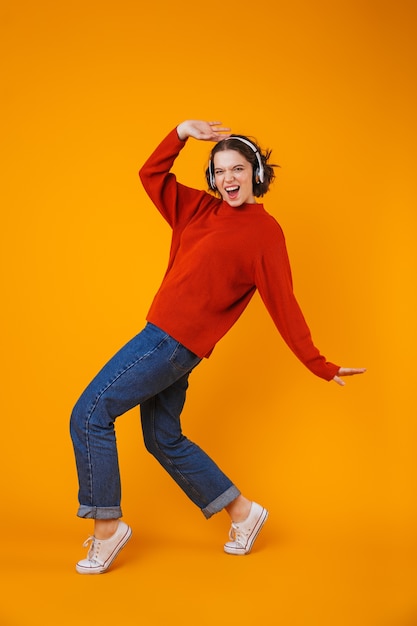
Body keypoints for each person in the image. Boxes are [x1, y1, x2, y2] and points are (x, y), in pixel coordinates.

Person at [70, 119, 365, 574]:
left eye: (238, 169)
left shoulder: (264, 234)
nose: (229, 179)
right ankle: (243, 513)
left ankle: (107, 528)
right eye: (221, 170)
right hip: (165, 339)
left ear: (256, 174)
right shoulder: (197, 210)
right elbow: (151, 175)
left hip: (170, 343)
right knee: (163, 438)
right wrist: (182, 133)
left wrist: (319, 364)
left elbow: (283, 304)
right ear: (213, 177)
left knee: (90, 414)